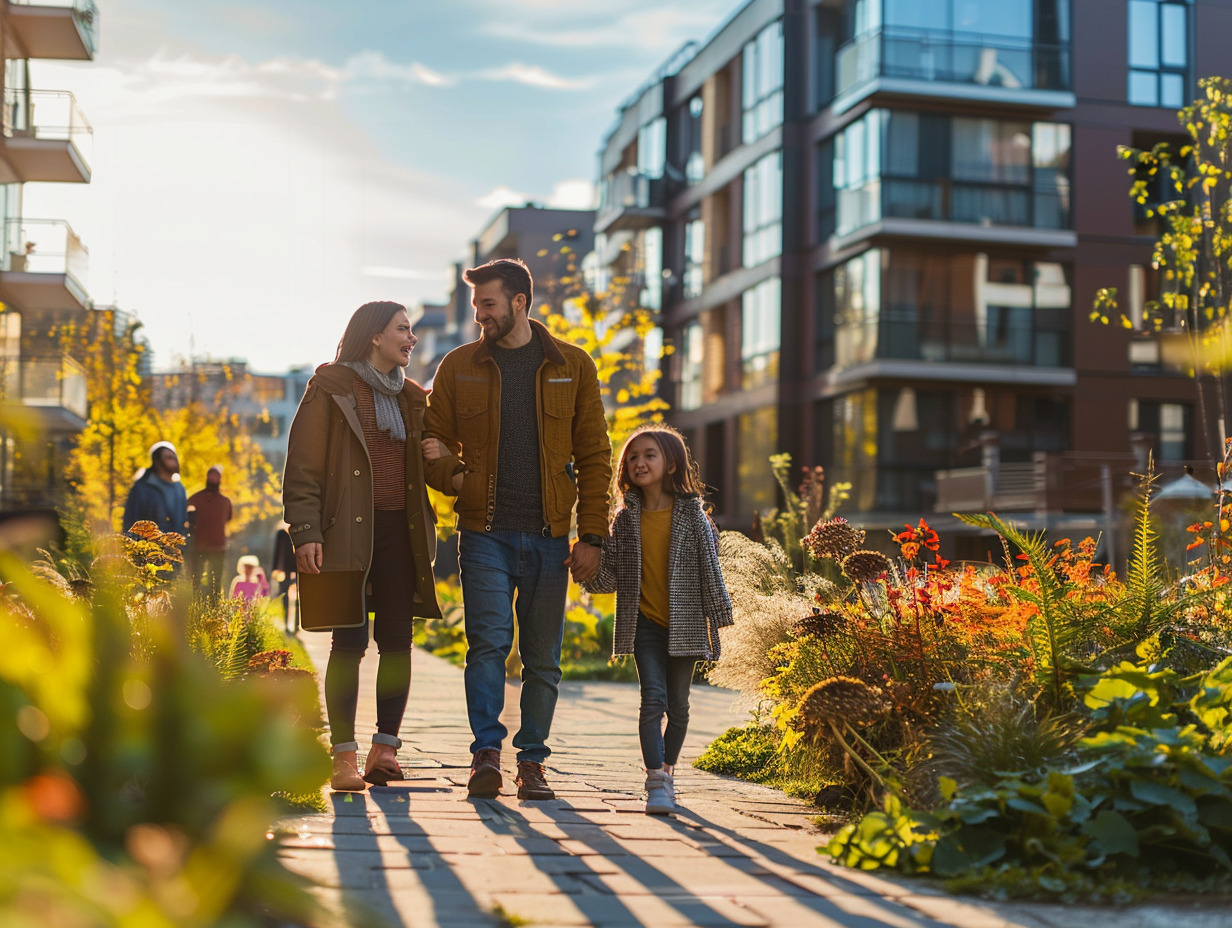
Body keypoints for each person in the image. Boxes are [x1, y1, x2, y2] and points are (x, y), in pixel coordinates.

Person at [423, 257, 611, 801]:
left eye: (489, 304)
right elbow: (432, 442)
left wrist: (592, 537)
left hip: (551, 536)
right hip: (484, 533)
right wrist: (456, 479)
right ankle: (486, 753)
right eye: (477, 304)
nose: (480, 314)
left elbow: (595, 455)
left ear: (520, 302)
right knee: (487, 644)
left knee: (543, 657)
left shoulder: (573, 366)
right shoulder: (458, 366)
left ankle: (532, 761)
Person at [284, 300, 442, 793]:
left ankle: (385, 750)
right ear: (374, 335)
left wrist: (452, 462)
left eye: (412, 330)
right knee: (348, 643)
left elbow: (436, 463)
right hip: (343, 533)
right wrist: (305, 531)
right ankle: (344, 756)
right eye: (403, 329)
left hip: (402, 533)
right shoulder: (330, 388)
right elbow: (303, 465)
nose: (411, 339)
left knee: (397, 641)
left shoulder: (415, 399)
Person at [584, 426, 733, 815]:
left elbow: (710, 570)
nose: (639, 463)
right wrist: (585, 564)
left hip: (684, 621)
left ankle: (668, 770)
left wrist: (719, 618)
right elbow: (610, 578)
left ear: (670, 463)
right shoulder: (625, 519)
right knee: (653, 700)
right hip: (645, 621)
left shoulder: (693, 516)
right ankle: (656, 781)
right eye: (632, 458)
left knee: (679, 708)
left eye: (649, 455)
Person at [123, 440, 188, 536]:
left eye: (174, 457)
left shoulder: (179, 489)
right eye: (168, 457)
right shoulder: (142, 488)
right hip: (148, 547)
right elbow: (131, 521)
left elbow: (182, 523)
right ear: (157, 461)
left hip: (176, 547)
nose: (173, 460)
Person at [186, 465, 233, 597]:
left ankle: (214, 608)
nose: (213, 478)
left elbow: (228, 518)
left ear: (220, 479)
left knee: (215, 581)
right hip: (198, 546)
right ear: (206, 477)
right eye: (211, 475)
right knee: (196, 579)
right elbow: (186, 517)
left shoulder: (225, 502)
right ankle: (195, 606)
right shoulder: (195, 499)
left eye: (216, 475)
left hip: (218, 547)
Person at [270, 522, 298, 631]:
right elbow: (277, 551)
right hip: (284, 570)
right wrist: (274, 569)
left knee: (299, 599)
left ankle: (296, 625)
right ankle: (286, 625)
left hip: (299, 568)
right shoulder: (281, 533)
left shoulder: (300, 529)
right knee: (284, 597)